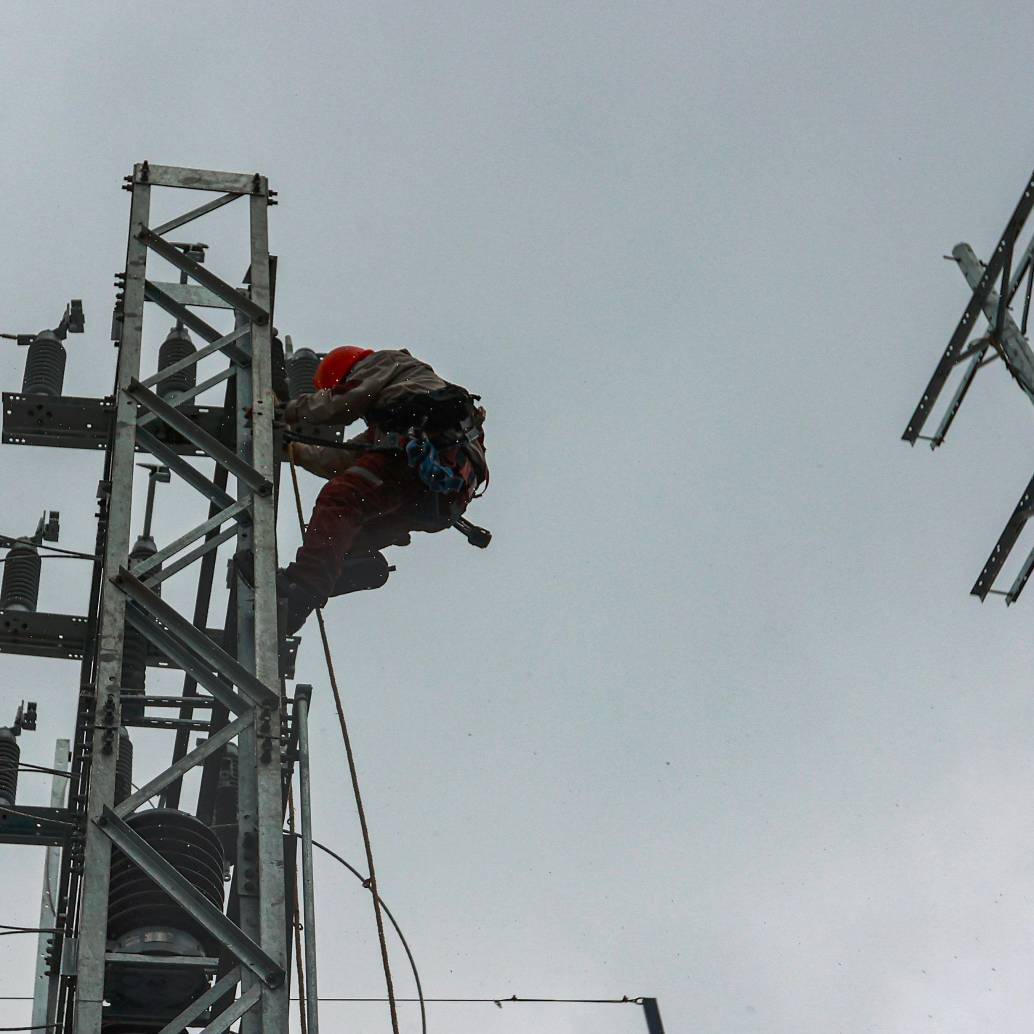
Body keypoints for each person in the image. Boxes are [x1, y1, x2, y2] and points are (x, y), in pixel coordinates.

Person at [276, 345, 488, 633]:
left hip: (415, 462)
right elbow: (342, 458)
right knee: (339, 531)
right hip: (442, 496)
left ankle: (302, 591)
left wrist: (282, 411)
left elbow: (344, 403)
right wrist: (294, 450)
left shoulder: (384, 362)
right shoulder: (396, 415)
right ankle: (356, 565)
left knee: (340, 501)